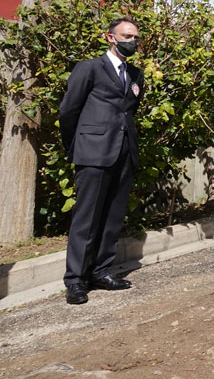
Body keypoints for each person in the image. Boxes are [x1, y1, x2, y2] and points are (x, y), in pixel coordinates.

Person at [59, 17, 145, 305]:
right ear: (110, 37)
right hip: (93, 152)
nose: (131, 41)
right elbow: (69, 111)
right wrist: (78, 145)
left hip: (123, 152)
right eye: (126, 36)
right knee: (87, 217)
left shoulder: (135, 74)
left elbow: (128, 110)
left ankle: (101, 271)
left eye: (135, 37)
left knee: (112, 216)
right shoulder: (90, 68)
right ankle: (76, 280)